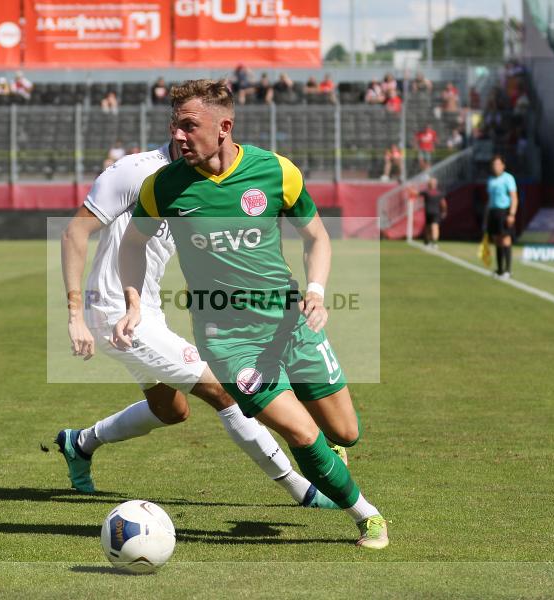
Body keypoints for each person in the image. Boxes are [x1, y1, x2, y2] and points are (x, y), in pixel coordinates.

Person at [114, 79, 388, 548]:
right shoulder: (163, 187)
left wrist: (317, 291)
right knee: (301, 433)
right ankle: (368, 517)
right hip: (228, 340)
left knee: (345, 431)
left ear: (224, 127)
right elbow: (132, 242)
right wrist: (134, 301)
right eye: (174, 126)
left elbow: (317, 236)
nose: (177, 136)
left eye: (188, 126)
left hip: (291, 324)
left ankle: (329, 453)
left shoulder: (276, 172)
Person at [57, 136, 338, 510]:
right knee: (224, 391)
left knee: (170, 410)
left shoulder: (198, 180)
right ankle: (303, 490)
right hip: (115, 312)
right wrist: (75, 315)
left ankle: (80, 443)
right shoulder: (135, 171)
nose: (184, 137)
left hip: (146, 308)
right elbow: (74, 231)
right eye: (180, 125)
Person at [484, 155, 518, 279]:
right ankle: (500, 269)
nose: (495, 167)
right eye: (494, 164)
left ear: (503, 165)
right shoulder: (491, 180)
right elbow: (489, 200)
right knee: (497, 240)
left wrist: (512, 214)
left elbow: (514, 197)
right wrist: (486, 216)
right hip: (493, 212)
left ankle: (508, 270)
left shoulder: (508, 178)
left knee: (505, 239)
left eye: (498, 164)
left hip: (504, 211)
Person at [419, 177, 447, 248]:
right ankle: (430, 242)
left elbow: (443, 203)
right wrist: (444, 211)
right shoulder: (430, 192)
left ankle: (431, 242)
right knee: (431, 227)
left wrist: (444, 211)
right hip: (432, 212)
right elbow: (443, 203)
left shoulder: (428, 192)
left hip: (432, 212)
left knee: (433, 227)